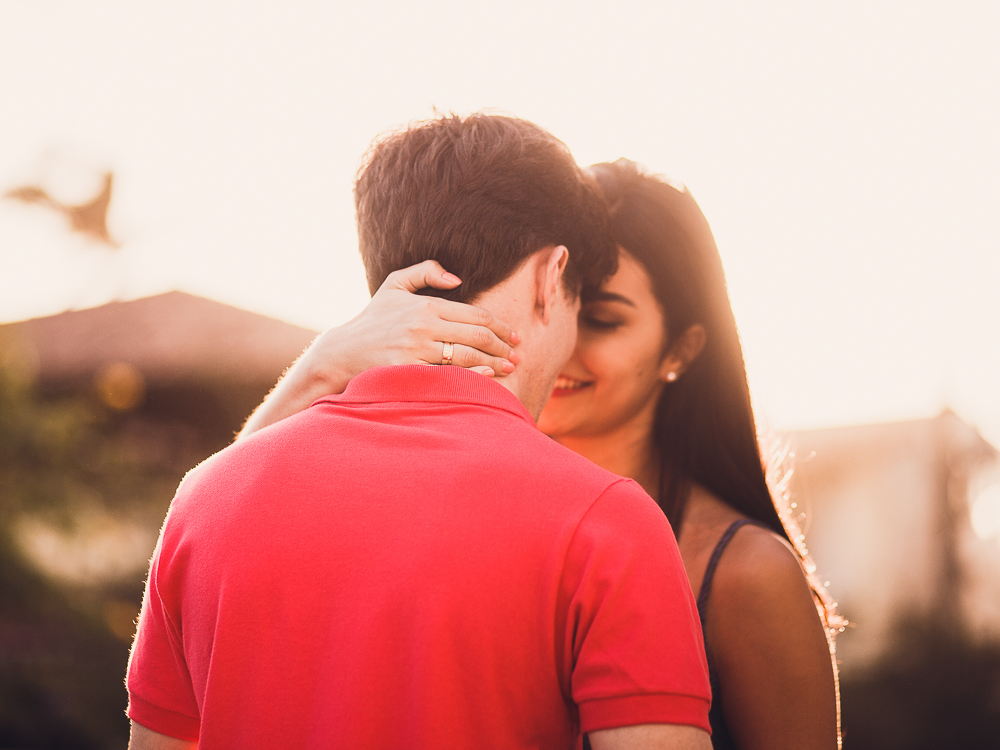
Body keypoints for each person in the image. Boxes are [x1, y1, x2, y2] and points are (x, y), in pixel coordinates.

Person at [126, 116, 714, 749]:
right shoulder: (606, 522)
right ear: (553, 276)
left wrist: (321, 365)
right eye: (580, 302)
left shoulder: (206, 499)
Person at [242, 158, 842, 749]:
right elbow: (233, 524)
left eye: (603, 318)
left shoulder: (748, 575)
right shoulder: (459, 513)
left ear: (679, 351)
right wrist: (323, 365)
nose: (561, 335)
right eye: (555, 299)